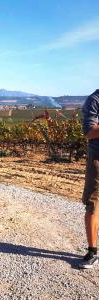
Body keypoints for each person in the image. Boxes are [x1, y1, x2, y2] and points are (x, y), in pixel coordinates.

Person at [79, 89, 99, 269]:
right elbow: (89, 131)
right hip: (98, 160)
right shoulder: (94, 100)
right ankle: (93, 251)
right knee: (93, 204)